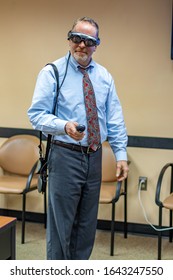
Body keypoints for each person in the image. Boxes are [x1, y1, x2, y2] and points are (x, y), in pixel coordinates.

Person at [28, 16, 129, 260]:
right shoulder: (52, 72)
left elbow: (114, 119)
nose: (81, 45)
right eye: (76, 38)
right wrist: (64, 125)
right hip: (64, 156)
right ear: (69, 39)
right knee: (62, 226)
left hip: (94, 157)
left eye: (88, 40)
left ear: (97, 44)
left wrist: (121, 155)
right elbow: (36, 115)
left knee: (85, 227)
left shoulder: (104, 76)